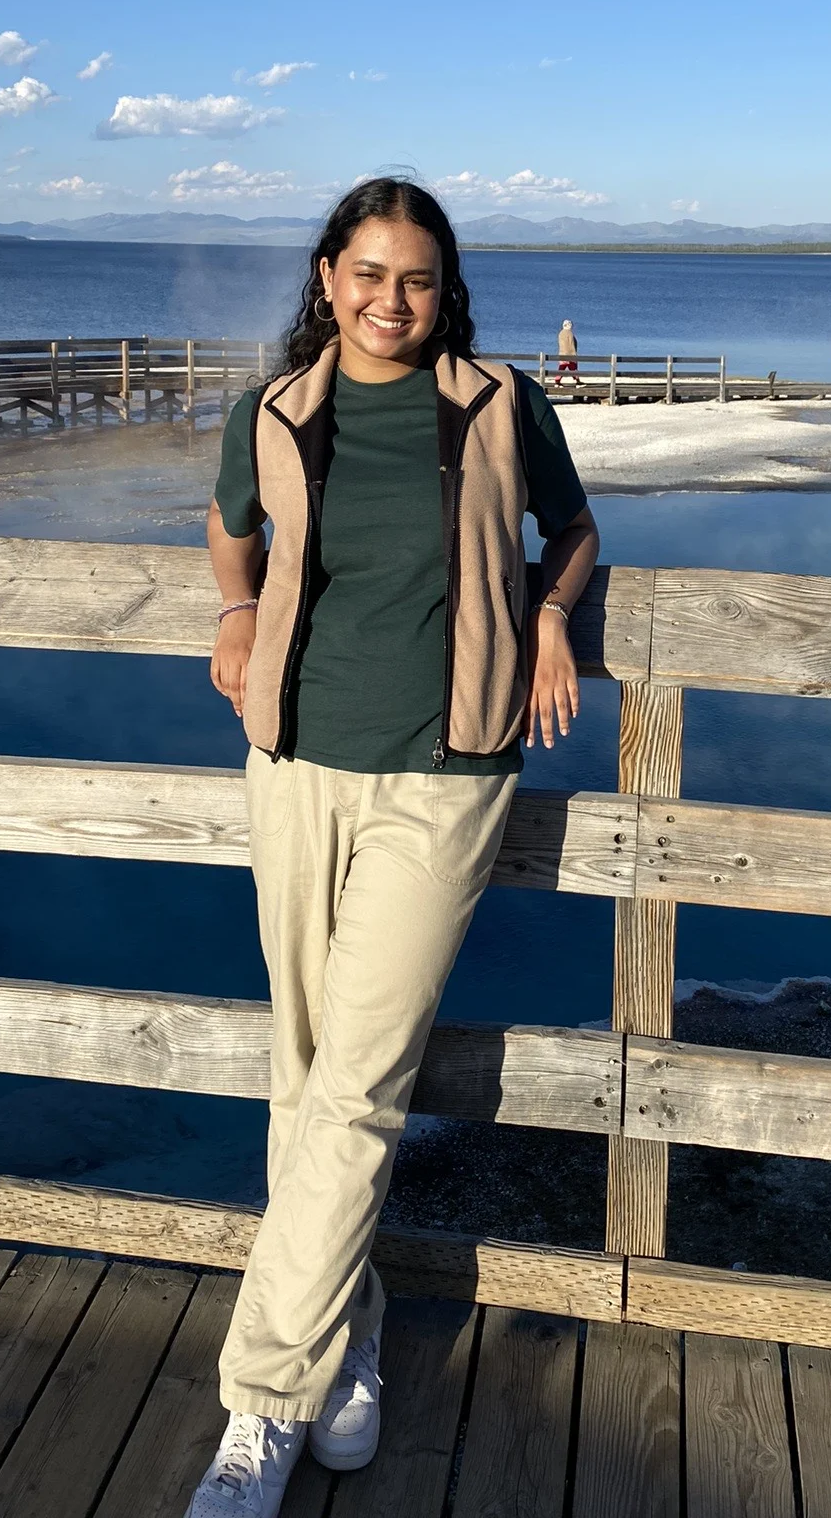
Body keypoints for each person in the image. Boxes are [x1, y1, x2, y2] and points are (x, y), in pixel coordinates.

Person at [191, 177, 599, 1517]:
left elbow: (576, 532)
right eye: (368, 274)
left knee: (360, 1081)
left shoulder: (497, 404)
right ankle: (344, 1340)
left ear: (445, 288)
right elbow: (228, 527)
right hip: (295, 762)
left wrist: (550, 617)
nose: (391, 300)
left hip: (447, 774)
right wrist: (239, 608)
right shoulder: (275, 412)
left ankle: (259, 1406)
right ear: (326, 278)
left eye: (416, 279)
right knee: (303, 1070)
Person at [555, 316, 579, 386]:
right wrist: (573, 354)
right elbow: (571, 344)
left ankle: (557, 381)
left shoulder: (561, 333)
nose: (571, 326)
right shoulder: (569, 333)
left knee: (562, 368)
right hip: (570, 354)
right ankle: (577, 381)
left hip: (562, 353)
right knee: (573, 368)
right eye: (570, 324)